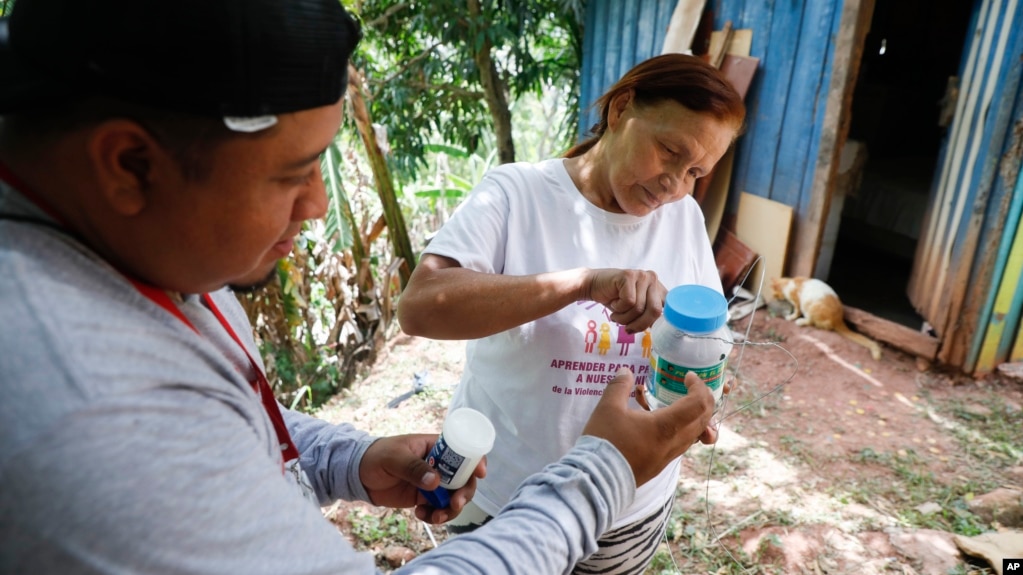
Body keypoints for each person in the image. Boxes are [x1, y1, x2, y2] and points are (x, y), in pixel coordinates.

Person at [0, 1, 720, 573]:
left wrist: (337, 458)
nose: (317, 204)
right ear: (128, 164)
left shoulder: (128, 248)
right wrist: (604, 469)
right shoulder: (85, 412)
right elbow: (424, 305)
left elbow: (237, 416)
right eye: (291, 173)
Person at [397, 53, 746, 573]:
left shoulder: (684, 216)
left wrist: (696, 398)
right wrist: (582, 283)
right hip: (506, 504)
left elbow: (692, 340)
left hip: (628, 506)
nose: (675, 183)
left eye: (696, 171)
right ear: (621, 109)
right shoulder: (517, 194)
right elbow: (420, 308)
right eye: (669, 151)